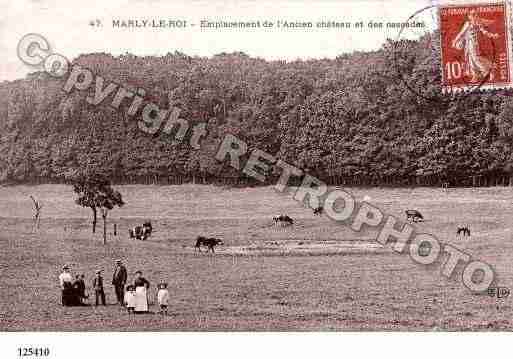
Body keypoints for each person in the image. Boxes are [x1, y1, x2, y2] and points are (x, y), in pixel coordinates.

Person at [452, 9, 499, 82]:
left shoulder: (478, 23)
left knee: (476, 59)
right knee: (470, 60)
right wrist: (455, 41)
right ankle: (475, 76)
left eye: (476, 14)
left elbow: (484, 32)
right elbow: (461, 33)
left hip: (474, 44)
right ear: (469, 16)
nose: (475, 16)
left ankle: (488, 71)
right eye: (473, 15)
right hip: (468, 44)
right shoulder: (468, 23)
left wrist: (493, 35)